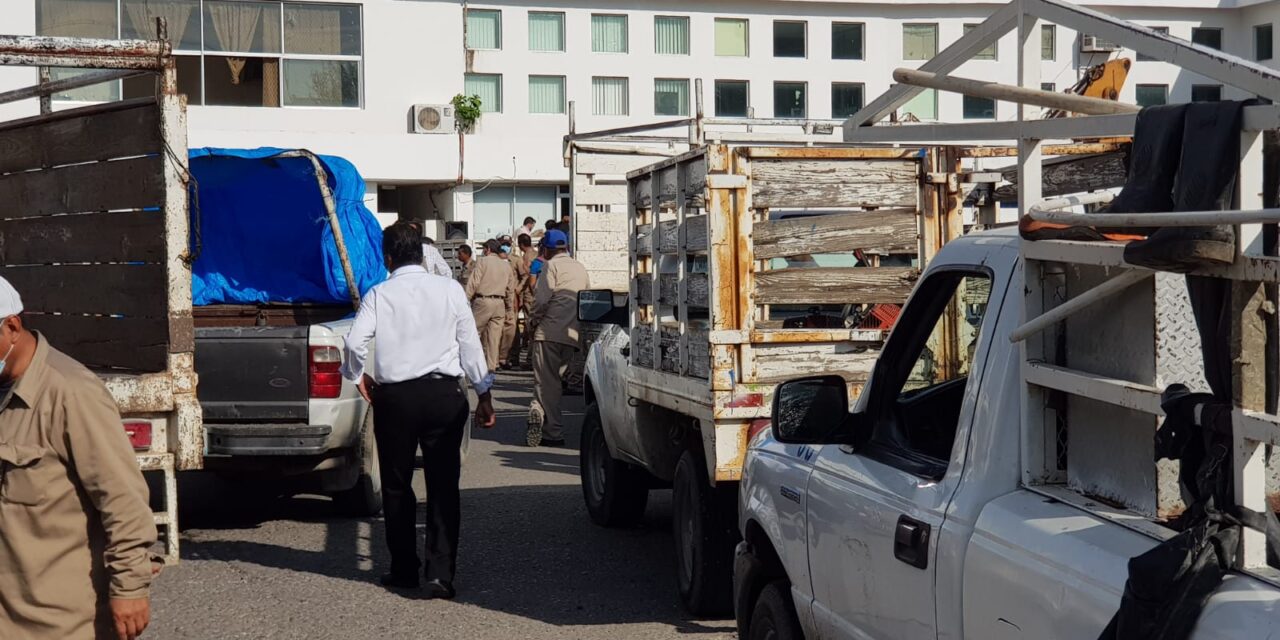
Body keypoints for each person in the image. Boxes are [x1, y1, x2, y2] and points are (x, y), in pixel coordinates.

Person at [341, 222, 497, 600]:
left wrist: (358, 375)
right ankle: (440, 576)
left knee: (397, 485)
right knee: (443, 487)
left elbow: (355, 342)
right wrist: (484, 392)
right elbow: (469, 343)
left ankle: (404, 570)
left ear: (388, 257)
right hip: (444, 395)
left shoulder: (379, 293)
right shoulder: (449, 290)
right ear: (423, 254)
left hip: (395, 399)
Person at [0, 276, 159, 640]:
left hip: (59, 624)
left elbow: (123, 501)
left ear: (11, 327)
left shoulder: (72, 393)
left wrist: (130, 589)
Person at [526, 229, 589, 447]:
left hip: (549, 332)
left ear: (547, 249)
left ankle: (552, 430)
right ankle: (537, 411)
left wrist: (531, 322)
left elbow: (542, 300)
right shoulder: (580, 267)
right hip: (572, 335)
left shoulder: (550, 266)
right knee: (554, 382)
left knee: (546, 382)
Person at [465, 239, 516, 371]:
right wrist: (510, 309)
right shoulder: (506, 265)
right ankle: (492, 366)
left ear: (488, 249)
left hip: (483, 301)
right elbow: (510, 290)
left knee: (473, 333)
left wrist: (465, 300)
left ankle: (471, 364)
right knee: (494, 337)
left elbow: (473, 283)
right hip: (500, 303)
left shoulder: (482, 261)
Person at [496, 239, 521, 370]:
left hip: (511, 298)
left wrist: (518, 293)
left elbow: (524, 276)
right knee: (496, 331)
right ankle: (496, 359)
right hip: (498, 299)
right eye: (503, 244)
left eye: (508, 244)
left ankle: (509, 357)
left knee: (511, 330)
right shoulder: (494, 262)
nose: (506, 247)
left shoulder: (515, 260)